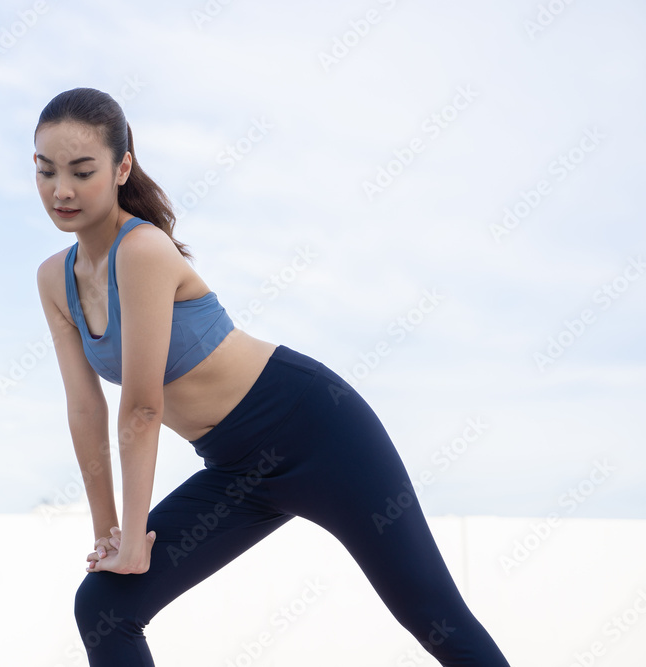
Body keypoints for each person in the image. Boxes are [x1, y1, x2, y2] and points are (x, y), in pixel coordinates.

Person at [33, 87, 512, 666]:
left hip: (317, 429)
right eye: (45, 171)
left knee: (436, 618)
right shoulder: (53, 280)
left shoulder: (143, 252)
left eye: (82, 171)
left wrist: (136, 537)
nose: (61, 190)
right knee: (104, 603)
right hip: (236, 468)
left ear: (121, 167)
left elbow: (141, 408)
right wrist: (110, 535)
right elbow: (85, 410)